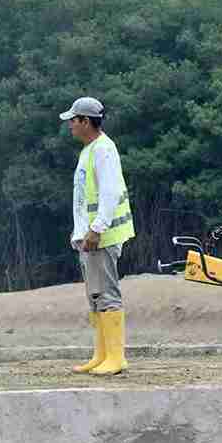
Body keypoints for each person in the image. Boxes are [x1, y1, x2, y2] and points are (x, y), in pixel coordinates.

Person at [61, 97, 134, 376]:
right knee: (95, 296)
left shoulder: (104, 149)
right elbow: (83, 197)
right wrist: (80, 232)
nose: (70, 125)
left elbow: (110, 193)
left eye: (74, 120)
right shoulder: (89, 150)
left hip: (102, 236)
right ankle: (101, 354)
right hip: (89, 237)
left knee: (107, 294)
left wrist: (96, 229)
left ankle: (116, 357)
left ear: (86, 121)